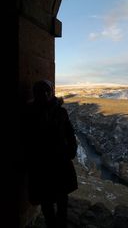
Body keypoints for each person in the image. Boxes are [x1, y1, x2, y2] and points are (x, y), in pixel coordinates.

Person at [25, 79, 78, 228]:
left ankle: (60, 224)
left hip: (59, 161)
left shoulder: (61, 111)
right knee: (46, 202)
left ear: (51, 92)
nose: (45, 94)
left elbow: (70, 132)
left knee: (62, 200)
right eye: (41, 91)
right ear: (36, 94)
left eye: (48, 91)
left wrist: (71, 150)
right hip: (41, 164)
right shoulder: (30, 114)